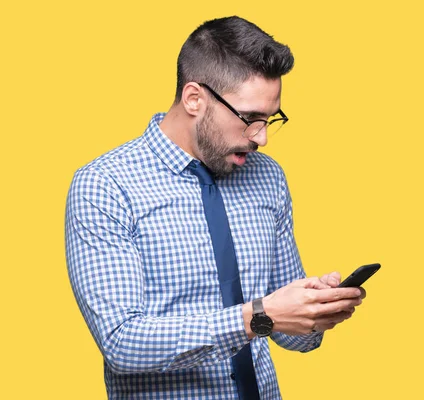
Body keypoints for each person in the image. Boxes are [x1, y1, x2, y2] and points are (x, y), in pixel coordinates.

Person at [65, 16, 365, 400]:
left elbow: (290, 335)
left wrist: (313, 311)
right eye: (250, 119)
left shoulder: (267, 177)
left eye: (271, 118)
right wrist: (258, 316)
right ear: (194, 99)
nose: (263, 138)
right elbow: (123, 343)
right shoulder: (106, 185)